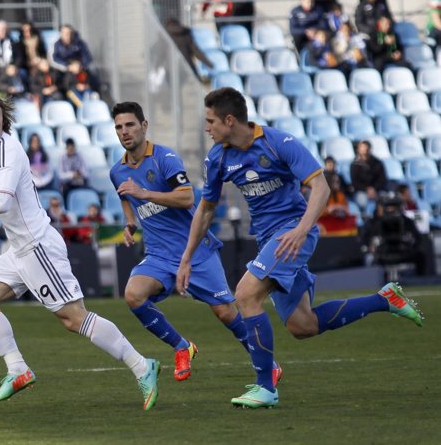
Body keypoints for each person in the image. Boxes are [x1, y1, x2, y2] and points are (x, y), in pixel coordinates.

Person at [176, 87, 423, 409]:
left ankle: (266, 386)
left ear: (229, 119)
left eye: (210, 121)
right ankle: (383, 299)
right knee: (303, 326)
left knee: (246, 294)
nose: (206, 128)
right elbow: (205, 209)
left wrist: (301, 229)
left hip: (294, 232)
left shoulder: (279, 143)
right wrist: (186, 259)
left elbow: (320, 186)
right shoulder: (219, 157)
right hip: (269, 239)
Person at [0, 91, 161, 409]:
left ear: (4, 119)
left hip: (38, 247)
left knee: (72, 318)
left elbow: (1, 201)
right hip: (20, 249)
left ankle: (141, 365)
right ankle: (18, 369)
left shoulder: (8, 150)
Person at [110, 101, 281, 383]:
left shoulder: (165, 158)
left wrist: (145, 193)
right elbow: (125, 196)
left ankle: (268, 365)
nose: (124, 131)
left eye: (129, 125)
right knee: (133, 295)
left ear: (144, 126)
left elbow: (187, 197)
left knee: (226, 312)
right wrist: (130, 222)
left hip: (195, 250)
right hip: (159, 255)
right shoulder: (117, 170)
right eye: (118, 127)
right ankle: (182, 347)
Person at [351, 140, 387, 215]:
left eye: (365, 148)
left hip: (377, 190)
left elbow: (382, 179)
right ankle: (366, 219)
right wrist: (366, 189)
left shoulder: (377, 163)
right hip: (362, 191)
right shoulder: (355, 164)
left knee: (385, 198)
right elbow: (355, 182)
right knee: (362, 200)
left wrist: (374, 189)